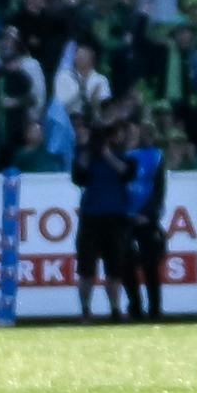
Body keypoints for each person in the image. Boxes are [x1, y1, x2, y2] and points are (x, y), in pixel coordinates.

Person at [73, 117, 134, 320]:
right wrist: (87, 152)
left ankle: (116, 309)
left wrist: (107, 155)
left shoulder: (123, 156)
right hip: (91, 217)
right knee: (86, 269)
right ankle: (85, 310)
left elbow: (127, 174)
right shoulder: (85, 156)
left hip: (115, 218)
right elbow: (78, 177)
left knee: (115, 269)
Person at [123, 118, 168, 320]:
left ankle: (155, 308)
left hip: (145, 217)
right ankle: (135, 306)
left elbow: (159, 190)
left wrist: (149, 214)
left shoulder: (157, 157)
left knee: (150, 265)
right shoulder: (125, 156)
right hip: (125, 217)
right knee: (126, 263)